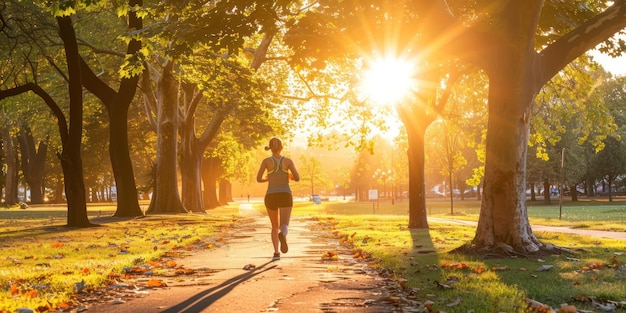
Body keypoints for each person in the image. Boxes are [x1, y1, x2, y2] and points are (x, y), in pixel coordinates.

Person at [256, 137, 300, 261]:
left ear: (270, 148)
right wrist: (290, 176)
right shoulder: (288, 161)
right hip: (285, 194)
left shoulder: (266, 161)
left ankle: (276, 253)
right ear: (281, 147)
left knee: (274, 226)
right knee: (284, 224)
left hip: (271, 195)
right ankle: (283, 234)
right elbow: (297, 178)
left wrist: (267, 178)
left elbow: (258, 179)